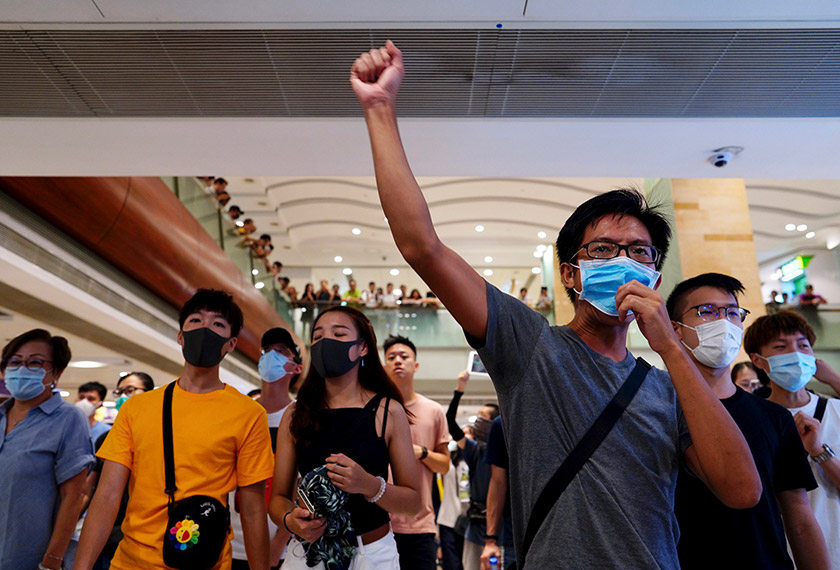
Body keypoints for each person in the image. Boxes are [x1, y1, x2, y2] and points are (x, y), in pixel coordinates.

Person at [350, 40, 759, 569]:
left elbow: (741, 490)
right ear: (570, 273)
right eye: (603, 250)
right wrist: (380, 108)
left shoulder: (667, 386)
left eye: (640, 252)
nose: (624, 261)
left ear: (655, 276)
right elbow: (421, 245)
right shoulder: (530, 345)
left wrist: (672, 350)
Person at [74, 289, 275, 570]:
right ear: (181, 336)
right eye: (195, 320)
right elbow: (107, 496)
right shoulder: (137, 408)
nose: (205, 329)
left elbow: (253, 509)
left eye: (217, 324)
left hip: (205, 562)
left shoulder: (249, 414)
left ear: (231, 343)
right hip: (131, 562)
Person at [666, 273, 828, 569]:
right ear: (675, 329)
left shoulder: (774, 417)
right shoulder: (657, 410)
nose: (723, 322)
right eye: (707, 311)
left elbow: (800, 520)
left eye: (732, 313)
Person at [269, 305, 421, 570]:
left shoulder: (387, 411)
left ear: (363, 347)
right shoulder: (296, 414)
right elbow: (279, 497)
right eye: (317, 336)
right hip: (308, 553)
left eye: (338, 334)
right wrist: (290, 520)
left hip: (372, 554)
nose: (325, 342)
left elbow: (413, 502)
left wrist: (370, 485)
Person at [745, 311, 840, 568]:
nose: (795, 354)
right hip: (779, 553)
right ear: (758, 360)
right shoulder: (750, 418)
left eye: (803, 345)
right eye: (780, 347)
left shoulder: (835, 411)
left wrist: (818, 451)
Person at [0, 328, 94, 570]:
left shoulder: (68, 419)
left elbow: (72, 497)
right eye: (15, 362)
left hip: (28, 557)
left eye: (35, 362)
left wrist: (51, 562)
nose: (22, 369)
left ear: (56, 372)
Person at [231, 327, 304, 570]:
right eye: (267, 350)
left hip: (279, 544)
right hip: (232, 540)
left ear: (296, 367)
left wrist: (278, 544)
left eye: (282, 351)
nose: (272, 355)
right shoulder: (242, 412)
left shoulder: (300, 417)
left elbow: (302, 487)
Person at [382, 335, 450, 570]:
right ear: (384, 366)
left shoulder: (433, 411)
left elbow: (444, 465)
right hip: (378, 524)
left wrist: (422, 453)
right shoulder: (375, 410)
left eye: (404, 356)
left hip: (420, 526)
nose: (398, 361)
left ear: (416, 365)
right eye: (391, 357)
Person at [446, 371, 499, 570]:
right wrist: (459, 390)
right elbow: (450, 422)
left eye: (483, 416)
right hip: (475, 525)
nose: (478, 420)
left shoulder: (506, 453)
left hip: (500, 526)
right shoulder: (475, 450)